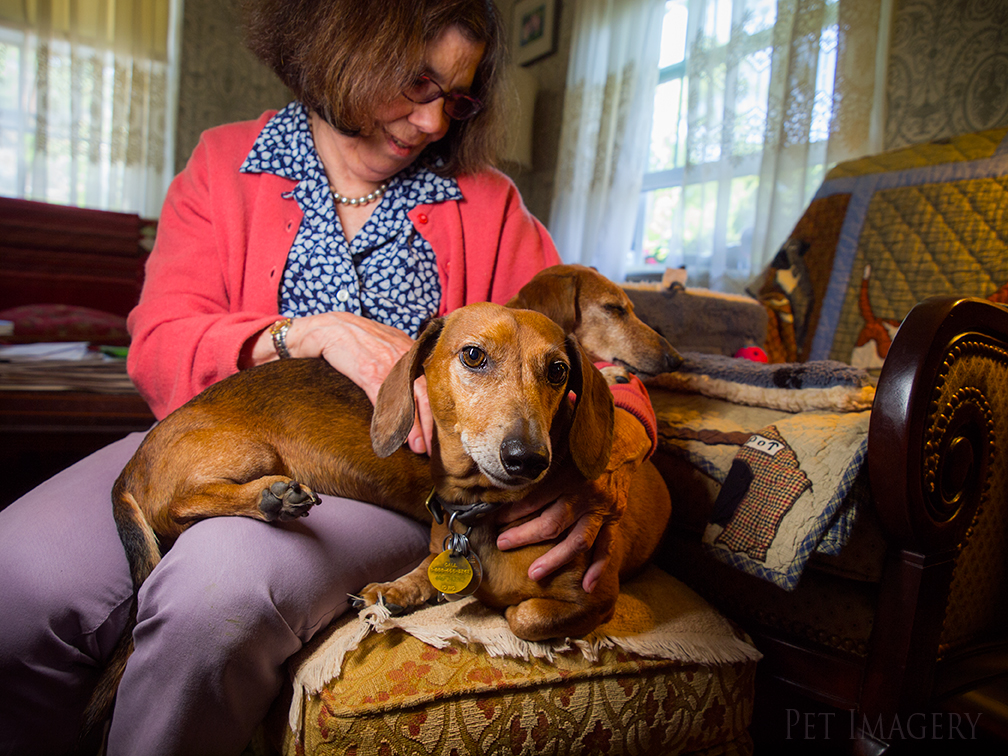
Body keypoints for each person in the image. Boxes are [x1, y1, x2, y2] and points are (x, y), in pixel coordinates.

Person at [0, 1, 657, 754]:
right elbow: (156, 344)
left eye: (459, 98)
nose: (437, 122)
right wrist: (305, 333)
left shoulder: (488, 203)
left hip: (382, 484)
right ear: (346, 47)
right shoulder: (225, 163)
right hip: (213, 436)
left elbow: (602, 365)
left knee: (214, 597)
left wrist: (614, 466)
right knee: (14, 577)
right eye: (417, 82)